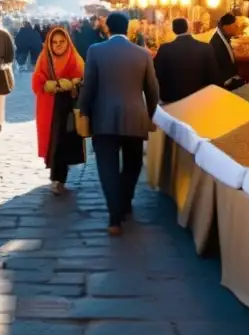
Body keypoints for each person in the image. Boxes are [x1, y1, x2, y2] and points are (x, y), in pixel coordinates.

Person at [78, 12, 160, 236]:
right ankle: (125, 201)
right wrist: (152, 115)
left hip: (103, 118)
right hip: (135, 117)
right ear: (129, 29)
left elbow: (89, 85)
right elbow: (152, 90)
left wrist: (83, 110)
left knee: (107, 168)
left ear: (107, 29)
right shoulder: (143, 54)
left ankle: (115, 216)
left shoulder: (95, 51)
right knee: (133, 164)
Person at [33, 27, 86, 195]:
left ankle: (59, 178)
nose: (58, 45)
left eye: (61, 42)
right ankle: (56, 178)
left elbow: (84, 79)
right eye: (54, 42)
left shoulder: (75, 58)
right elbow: (36, 81)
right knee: (53, 141)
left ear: (67, 41)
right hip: (49, 107)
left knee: (65, 141)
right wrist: (50, 85)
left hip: (69, 107)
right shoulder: (44, 59)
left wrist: (73, 83)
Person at [154, 17, 222, 104]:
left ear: (173, 30)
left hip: (172, 101)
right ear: (188, 29)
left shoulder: (164, 49)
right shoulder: (206, 48)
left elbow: (157, 76)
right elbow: (214, 78)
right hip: (200, 100)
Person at [211, 12, 243, 89]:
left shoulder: (224, 37)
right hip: (223, 86)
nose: (237, 28)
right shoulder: (216, 43)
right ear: (226, 27)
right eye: (235, 25)